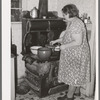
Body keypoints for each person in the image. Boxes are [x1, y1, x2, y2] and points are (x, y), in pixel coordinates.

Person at [50, 4, 91, 100]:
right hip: (74, 52)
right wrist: (56, 41)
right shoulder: (71, 22)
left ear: (69, 13)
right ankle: (76, 93)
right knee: (75, 75)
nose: (63, 16)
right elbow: (67, 37)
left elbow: (78, 41)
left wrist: (64, 46)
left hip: (78, 53)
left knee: (73, 76)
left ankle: (69, 97)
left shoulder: (76, 24)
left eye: (64, 14)